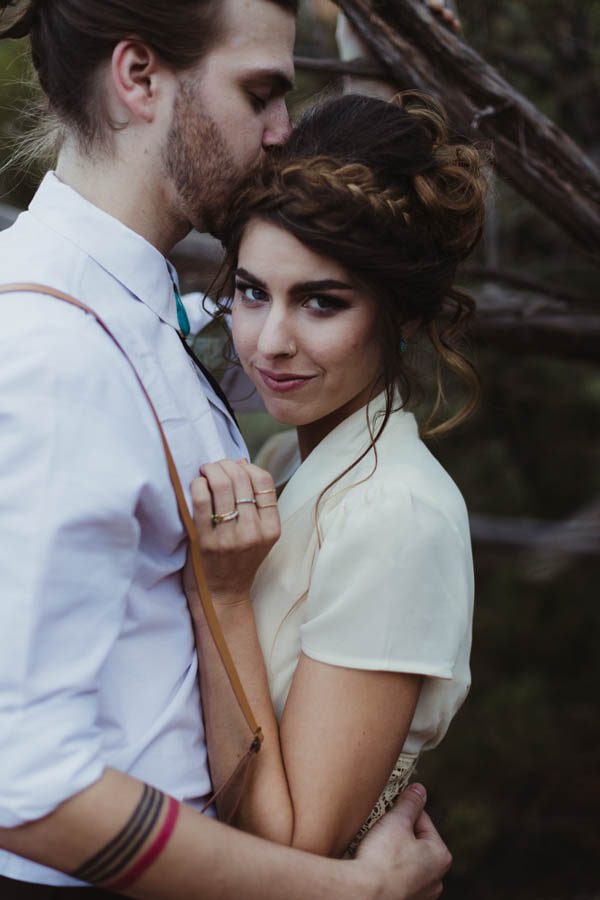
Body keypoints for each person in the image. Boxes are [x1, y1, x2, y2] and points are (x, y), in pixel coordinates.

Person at [0, 0, 451, 897]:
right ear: (139, 78)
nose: (283, 134)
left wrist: (386, 69)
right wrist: (344, 893)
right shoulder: (52, 359)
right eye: (261, 94)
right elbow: (29, 787)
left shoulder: (144, 309)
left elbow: (349, 291)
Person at [184, 91, 487, 856]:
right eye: (253, 292)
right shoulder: (288, 457)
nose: (270, 341)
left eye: (321, 302)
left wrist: (219, 595)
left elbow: (294, 844)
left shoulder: (397, 517)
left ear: (403, 316)